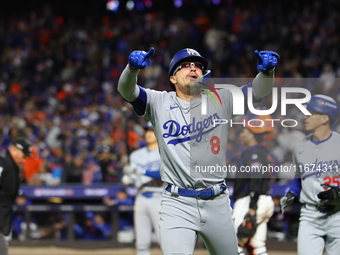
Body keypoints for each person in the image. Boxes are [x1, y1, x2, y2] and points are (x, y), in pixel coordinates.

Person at [118, 47, 279, 255]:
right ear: (173, 78)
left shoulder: (222, 99)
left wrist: (266, 73)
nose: (193, 68)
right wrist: (131, 70)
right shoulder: (159, 102)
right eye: (185, 65)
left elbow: (258, 91)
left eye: (198, 66)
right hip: (177, 203)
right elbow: (127, 91)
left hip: (217, 200)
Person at [280, 94, 340, 255]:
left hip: (338, 213)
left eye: (311, 113)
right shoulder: (300, 146)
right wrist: (292, 193)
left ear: (324, 118)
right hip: (310, 215)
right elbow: (299, 177)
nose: (305, 117)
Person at [231, 114, 275, 255]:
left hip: (250, 200)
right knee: (257, 246)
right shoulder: (262, 151)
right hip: (264, 200)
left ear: (252, 133)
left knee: (231, 243)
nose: (242, 134)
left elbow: (256, 178)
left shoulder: (253, 152)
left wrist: (252, 207)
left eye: (245, 130)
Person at [119, 121, 163, 255]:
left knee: (165, 238)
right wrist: (128, 178)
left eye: (152, 131)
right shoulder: (135, 155)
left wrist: (140, 171)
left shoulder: (165, 152)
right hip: (141, 196)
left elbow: (163, 173)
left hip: (160, 196)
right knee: (141, 241)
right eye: (147, 131)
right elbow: (133, 179)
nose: (149, 134)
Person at [0, 137, 32, 255]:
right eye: (23, 156)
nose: (24, 160)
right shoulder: (2, 161)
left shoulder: (11, 165)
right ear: (15, 150)